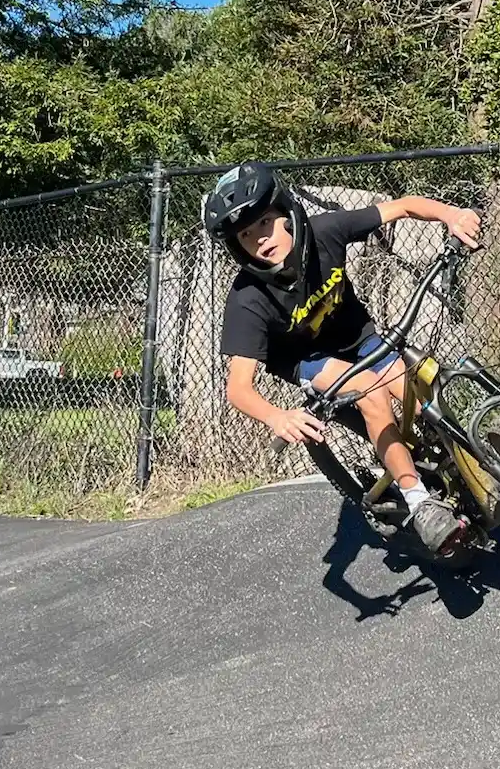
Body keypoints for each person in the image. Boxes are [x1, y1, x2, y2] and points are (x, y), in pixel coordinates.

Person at [204, 162, 481, 556]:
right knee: (371, 393)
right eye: (245, 235)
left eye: (264, 222)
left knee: (421, 400)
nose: (260, 239)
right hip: (309, 359)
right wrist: (277, 417)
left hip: (359, 338)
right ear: (237, 247)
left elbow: (403, 206)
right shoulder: (247, 299)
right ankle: (419, 501)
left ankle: (461, 468)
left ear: (286, 213)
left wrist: (451, 215)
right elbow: (238, 388)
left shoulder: (325, 231)